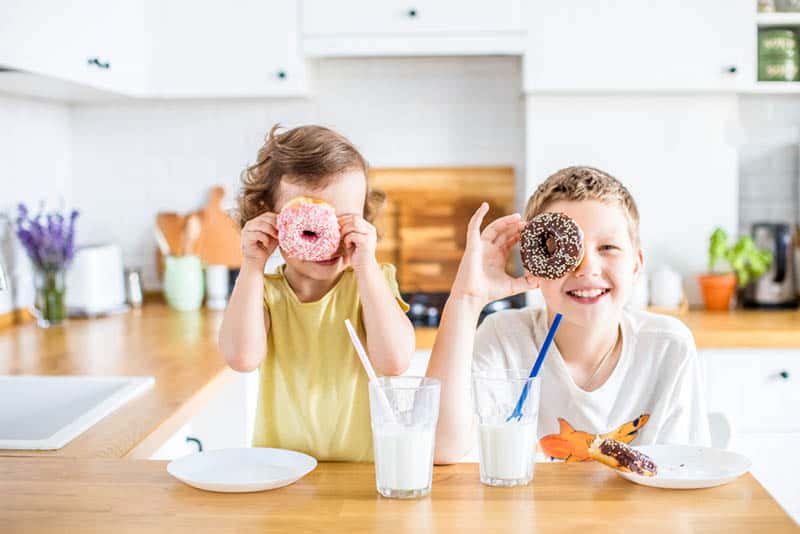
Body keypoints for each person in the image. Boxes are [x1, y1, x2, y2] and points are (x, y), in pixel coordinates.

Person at [427, 166, 710, 463]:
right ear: (534, 263)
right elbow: (439, 448)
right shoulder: (504, 340)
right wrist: (467, 299)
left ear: (636, 265)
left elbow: (683, 469)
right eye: (563, 250)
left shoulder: (667, 347)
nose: (586, 267)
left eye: (608, 247)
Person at [219, 124, 414, 462]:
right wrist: (252, 264)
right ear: (269, 216)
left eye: (345, 221)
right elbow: (241, 358)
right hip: (280, 470)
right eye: (310, 226)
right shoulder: (265, 293)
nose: (331, 240)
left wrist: (366, 266)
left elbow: (395, 361)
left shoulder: (372, 283)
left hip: (365, 471)